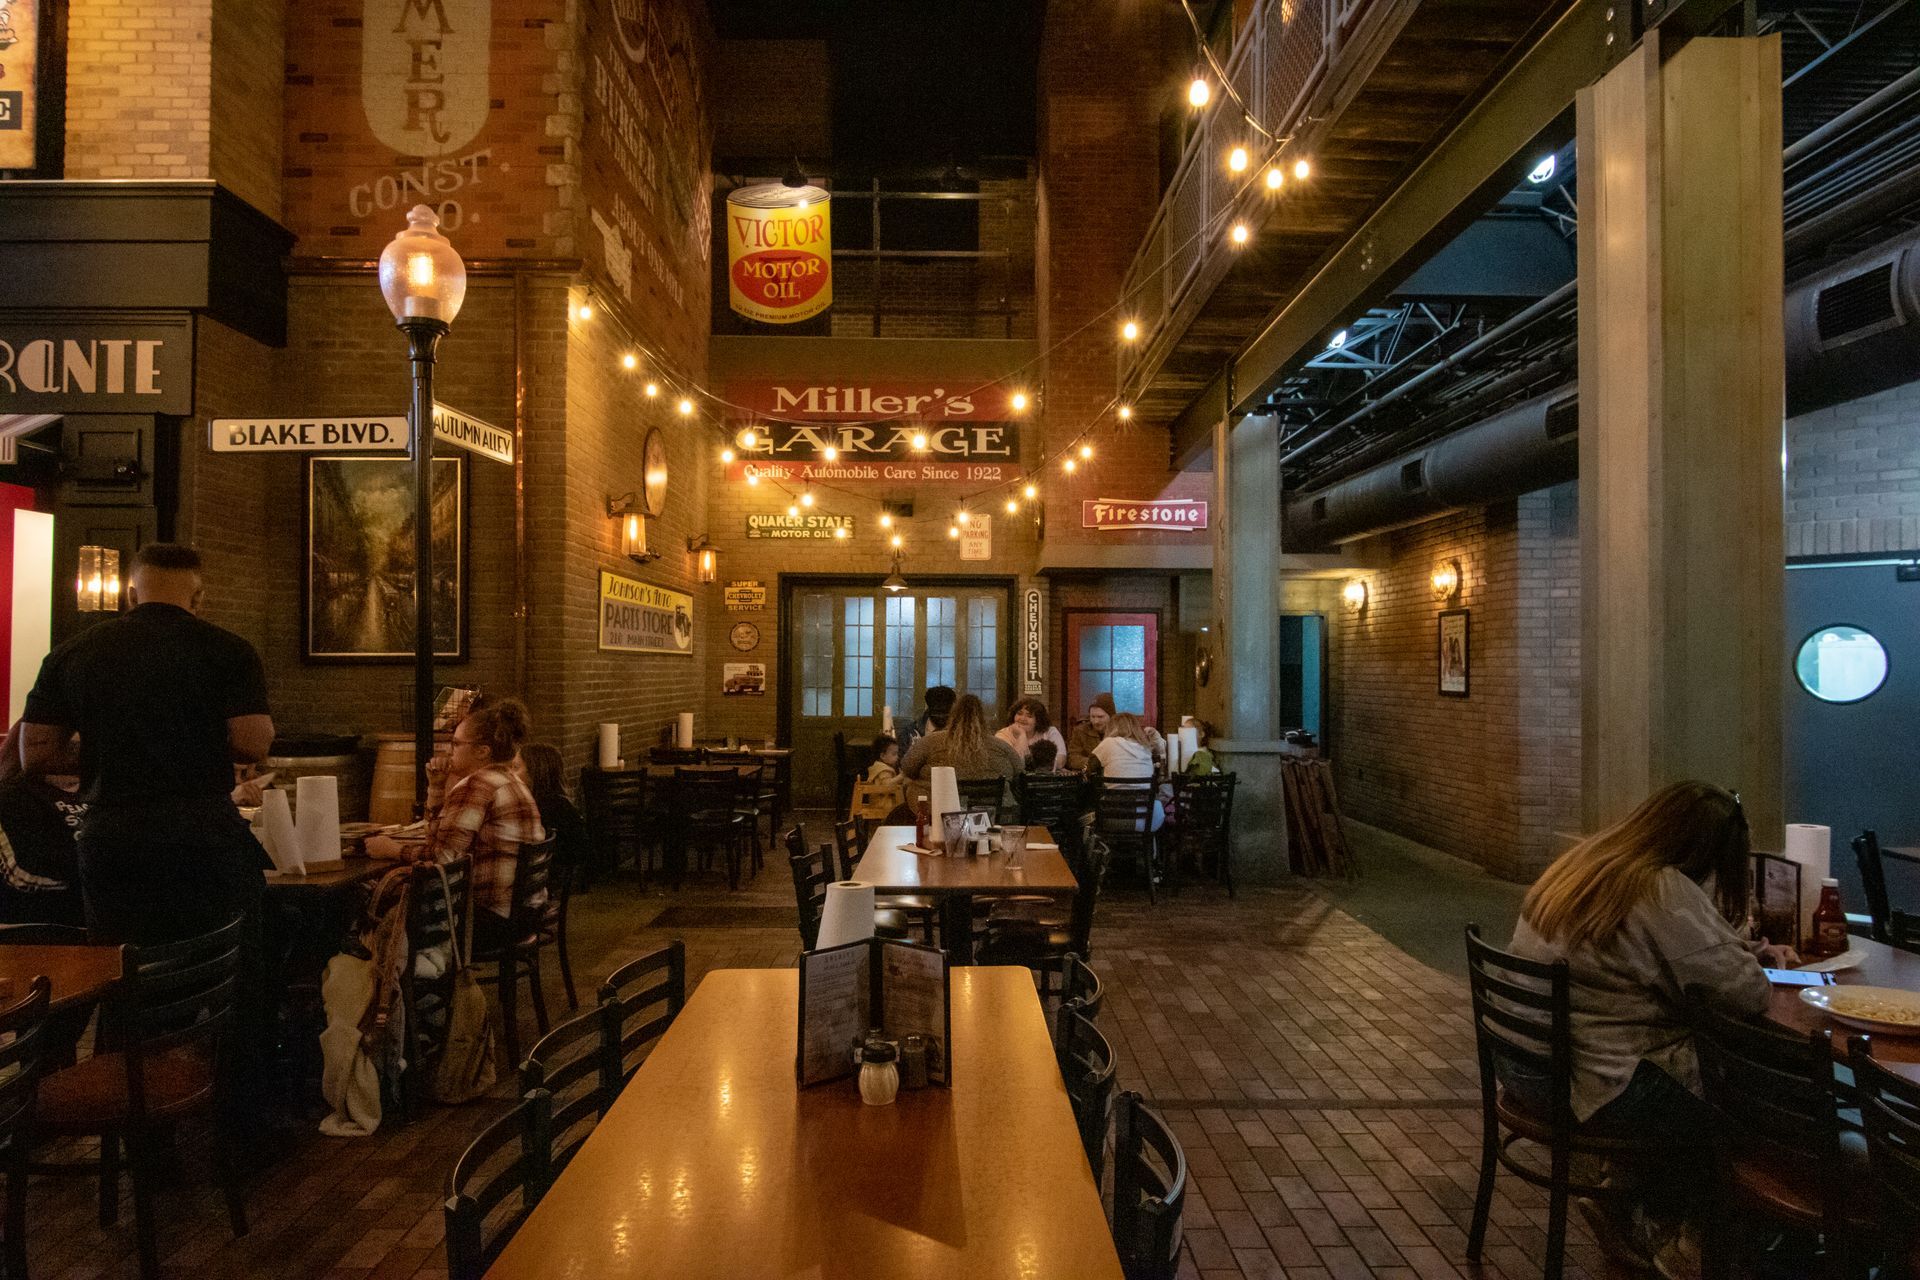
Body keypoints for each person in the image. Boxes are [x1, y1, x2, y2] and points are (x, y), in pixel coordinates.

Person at [1505, 780, 1794, 1277]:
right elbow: (1745, 994)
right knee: (1747, 1113)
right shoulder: (1659, 886)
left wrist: (1738, 950)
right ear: (1703, 851)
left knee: (1702, 1084)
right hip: (1596, 1089)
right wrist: (1754, 962)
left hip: (1526, 1070)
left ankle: (1626, 1203)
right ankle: (1691, 1243)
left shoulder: (1588, 864)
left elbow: (1660, 951)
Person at [20, 542, 273, 944]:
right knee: (223, 966)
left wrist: (117, 751)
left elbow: (36, 754)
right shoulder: (230, 651)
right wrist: (183, 747)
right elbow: (252, 744)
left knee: (127, 968)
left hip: (113, 838)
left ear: (131, 595)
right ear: (199, 598)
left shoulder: (71, 653)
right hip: (203, 832)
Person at [367, 699, 542, 954]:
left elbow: (442, 861)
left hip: (488, 921)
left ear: (482, 751)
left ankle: (397, 988)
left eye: (457, 743)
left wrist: (392, 850)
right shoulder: (512, 781)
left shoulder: (477, 785)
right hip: (524, 914)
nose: (450, 751)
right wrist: (437, 788)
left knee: (374, 904)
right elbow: (441, 841)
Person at [0, 721, 84, 927]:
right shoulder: (11, 797)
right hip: (40, 930)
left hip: (113, 924)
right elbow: (20, 875)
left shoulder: (114, 795)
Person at [900, 693, 1022, 806]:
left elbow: (907, 767)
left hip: (936, 810)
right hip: (993, 813)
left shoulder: (930, 742)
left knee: (909, 783)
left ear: (953, 716)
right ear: (983, 718)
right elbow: (1019, 770)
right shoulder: (1000, 746)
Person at [521, 742, 586, 892]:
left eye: (516, 767)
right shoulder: (560, 802)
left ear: (535, 772)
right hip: (548, 885)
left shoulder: (542, 807)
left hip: (538, 886)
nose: (510, 773)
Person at [1092, 711, 1166, 830]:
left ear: (1112, 727)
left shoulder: (1108, 743)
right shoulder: (1145, 747)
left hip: (1116, 817)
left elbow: (1090, 768)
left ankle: (1104, 847)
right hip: (1150, 819)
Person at [995, 697, 1068, 772]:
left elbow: (1061, 761)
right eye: (1019, 714)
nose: (1022, 718)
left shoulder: (1050, 732)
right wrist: (1022, 735)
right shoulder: (1002, 735)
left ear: (1038, 720)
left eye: (1029, 716)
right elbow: (1015, 765)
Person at [1065, 692, 1115, 770]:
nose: (1096, 721)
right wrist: (1093, 763)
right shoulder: (1080, 731)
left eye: (1100, 717)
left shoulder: (1120, 732)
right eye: (1093, 716)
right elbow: (1072, 758)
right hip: (1089, 777)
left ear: (1111, 716)